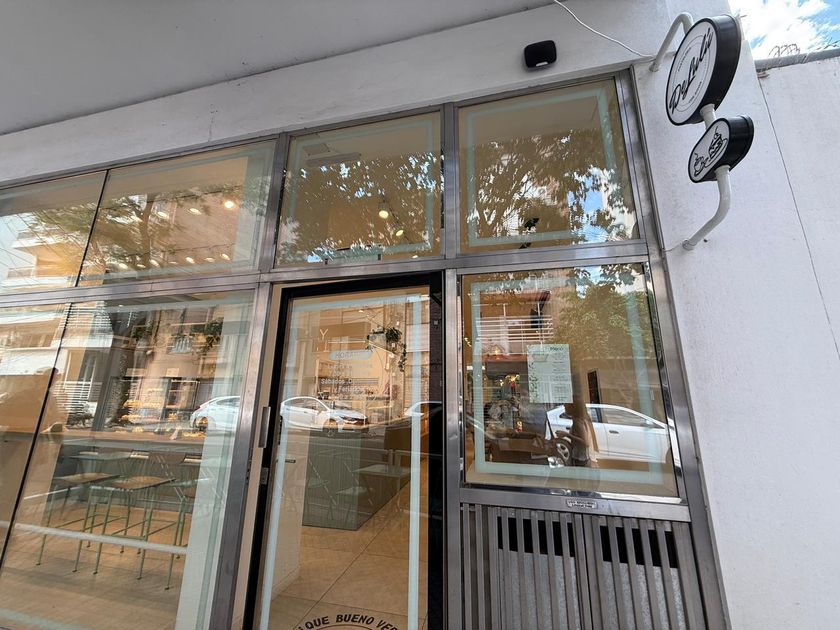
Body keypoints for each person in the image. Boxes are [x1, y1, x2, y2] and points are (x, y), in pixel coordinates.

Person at [555, 397, 599, 467]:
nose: (564, 405)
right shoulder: (582, 418)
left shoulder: (577, 421)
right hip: (583, 458)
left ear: (573, 407)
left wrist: (566, 434)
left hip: (580, 459)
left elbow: (585, 442)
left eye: (567, 404)